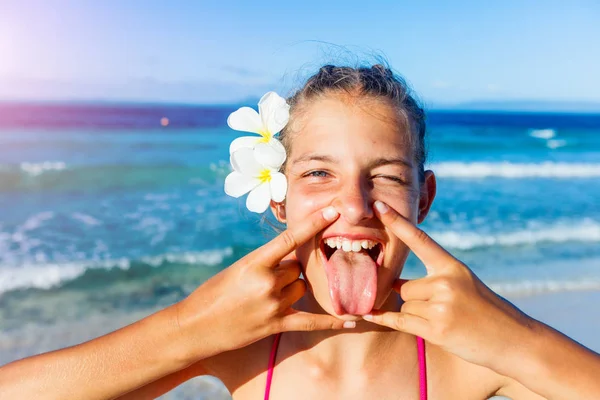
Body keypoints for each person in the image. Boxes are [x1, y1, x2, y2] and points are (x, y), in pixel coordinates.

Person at [1, 64, 599, 400]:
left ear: (425, 197)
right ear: (278, 198)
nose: (354, 204)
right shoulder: (241, 346)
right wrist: (188, 327)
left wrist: (515, 337)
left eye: (386, 178)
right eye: (319, 173)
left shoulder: (469, 356)